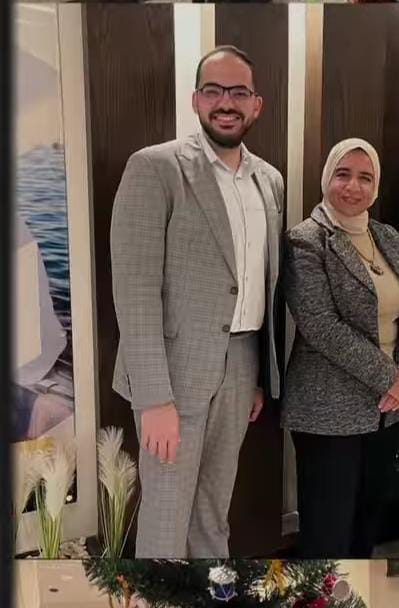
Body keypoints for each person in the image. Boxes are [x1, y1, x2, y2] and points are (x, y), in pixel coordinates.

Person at [111, 46, 283, 557]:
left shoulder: (269, 180)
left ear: (256, 105)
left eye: (238, 92)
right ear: (195, 100)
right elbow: (135, 292)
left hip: (241, 365)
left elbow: (261, 284)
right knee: (165, 520)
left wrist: (255, 376)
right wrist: (153, 399)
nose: (225, 102)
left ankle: (215, 602)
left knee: (213, 514)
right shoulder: (155, 168)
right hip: (173, 374)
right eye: (213, 90)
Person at [283, 139, 399, 557]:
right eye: (343, 174)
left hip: (388, 408)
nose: (353, 186)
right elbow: (320, 326)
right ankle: (319, 602)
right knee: (327, 536)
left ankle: (359, 595)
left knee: (367, 525)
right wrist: (391, 377)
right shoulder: (306, 240)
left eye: (365, 177)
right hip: (327, 410)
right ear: (327, 178)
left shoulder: (387, 237)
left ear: (375, 187)